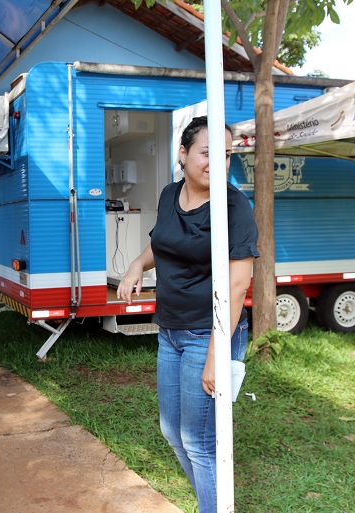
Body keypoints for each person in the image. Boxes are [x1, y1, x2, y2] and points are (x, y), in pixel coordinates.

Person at [117, 116, 258, 513]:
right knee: (172, 432)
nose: (219, 161)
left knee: (197, 439)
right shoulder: (169, 194)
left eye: (227, 154)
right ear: (183, 153)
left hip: (208, 333)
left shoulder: (233, 206)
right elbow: (160, 244)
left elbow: (238, 284)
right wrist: (134, 266)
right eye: (208, 152)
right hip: (171, 331)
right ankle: (213, 501)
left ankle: (214, 506)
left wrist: (218, 353)